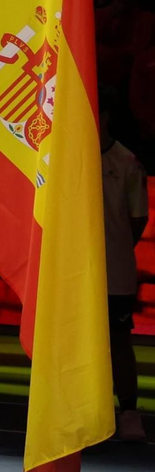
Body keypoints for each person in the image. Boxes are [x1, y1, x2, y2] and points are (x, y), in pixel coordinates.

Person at [101, 101, 148, 441]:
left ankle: (130, 413)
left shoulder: (128, 163)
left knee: (118, 340)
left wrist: (114, 250)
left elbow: (137, 220)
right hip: (72, 275)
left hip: (115, 272)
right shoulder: (65, 157)